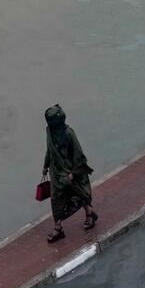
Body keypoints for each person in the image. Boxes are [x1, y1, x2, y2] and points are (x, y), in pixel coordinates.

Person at [42, 104, 99, 243]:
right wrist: (45, 166)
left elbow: (78, 154)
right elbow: (49, 150)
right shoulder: (50, 132)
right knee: (56, 199)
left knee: (78, 193)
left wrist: (73, 173)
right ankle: (58, 228)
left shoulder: (69, 133)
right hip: (56, 175)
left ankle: (90, 213)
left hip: (69, 173)